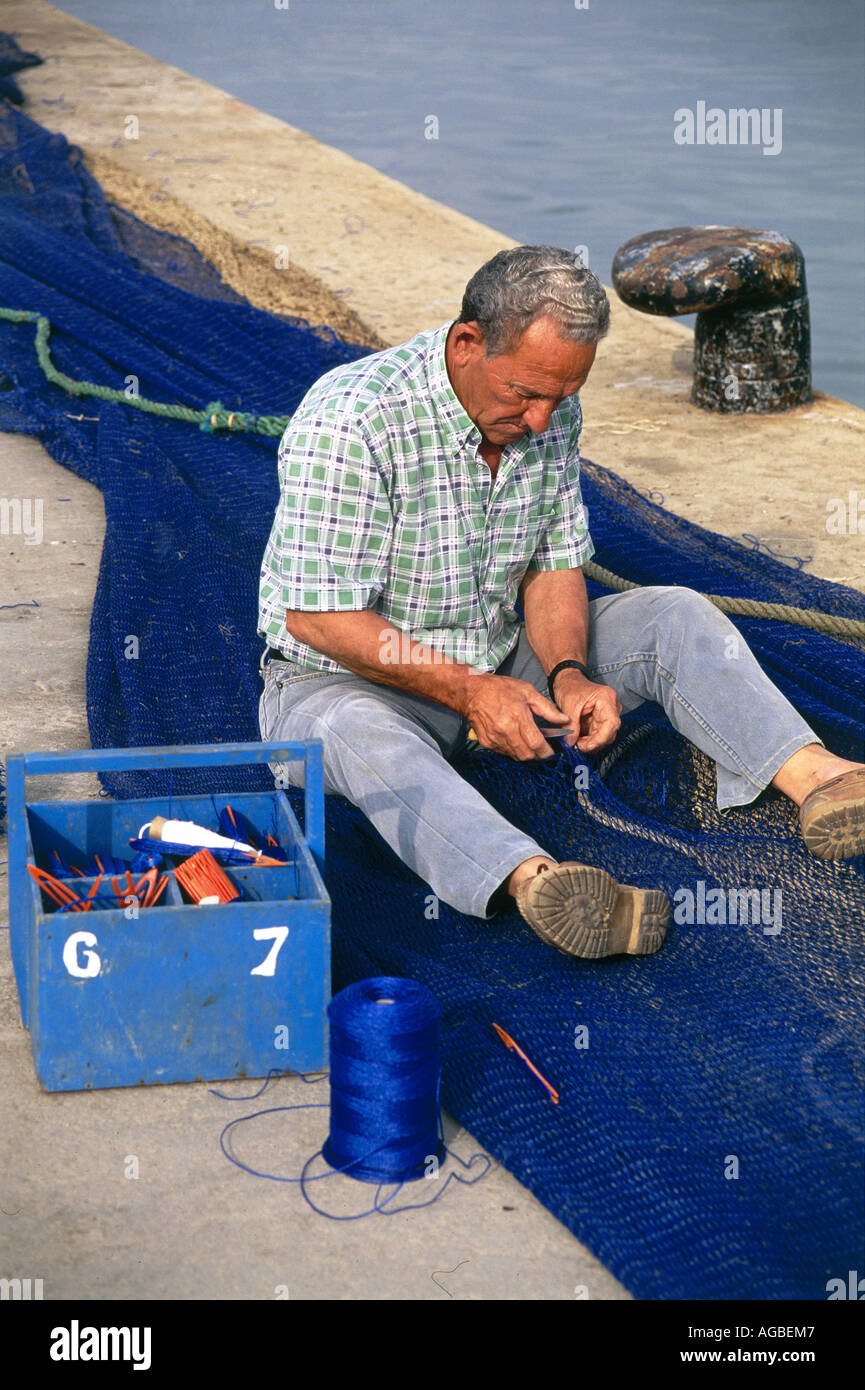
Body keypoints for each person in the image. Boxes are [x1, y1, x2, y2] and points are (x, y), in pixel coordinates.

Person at [257, 245, 864, 959]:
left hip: (497, 652)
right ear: (466, 343)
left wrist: (569, 671)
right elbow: (318, 618)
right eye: (523, 394)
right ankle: (538, 881)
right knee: (357, 730)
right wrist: (471, 693)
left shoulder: (545, 410)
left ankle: (819, 781)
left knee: (672, 613)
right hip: (349, 680)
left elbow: (552, 566)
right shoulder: (351, 420)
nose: (543, 421)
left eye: (561, 398)